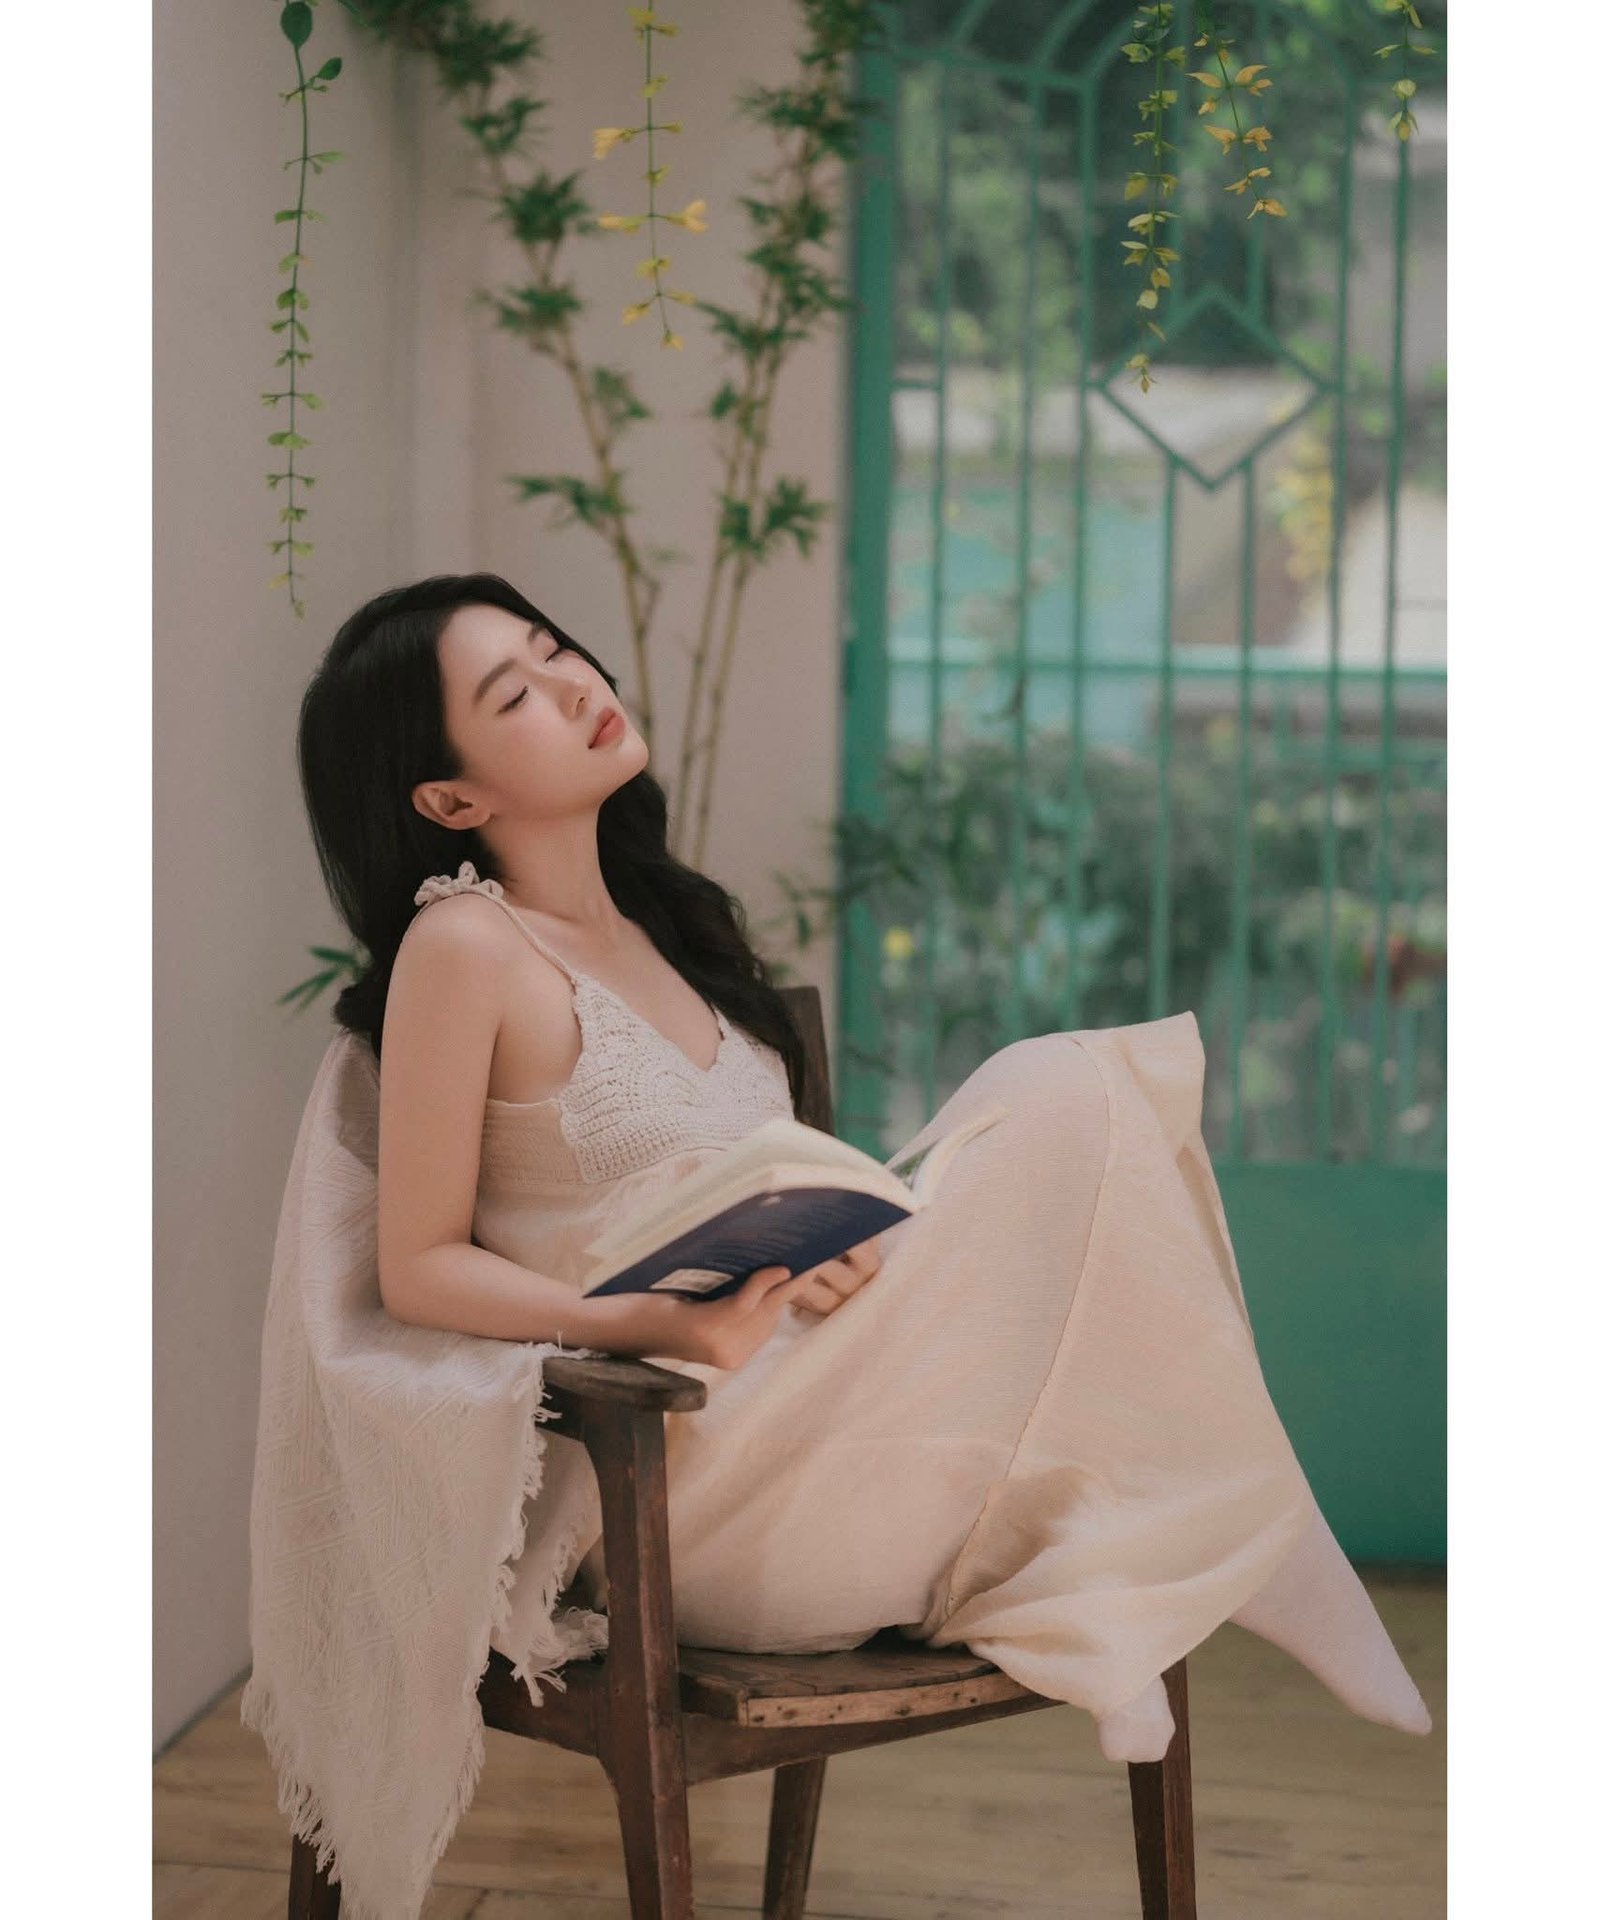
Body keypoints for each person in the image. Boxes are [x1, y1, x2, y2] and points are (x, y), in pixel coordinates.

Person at [293, 568, 1432, 1772]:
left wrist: (839, 1235)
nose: (574, 684)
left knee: (1063, 1099)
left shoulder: (662, 934)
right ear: (451, 796)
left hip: (831, 1424)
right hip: (682, 1492)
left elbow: (737, 1193)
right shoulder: (466, 944)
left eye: (553, 647)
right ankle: (1171, 1565)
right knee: (1065, 1088)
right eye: (515, 692)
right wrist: (648, 1321)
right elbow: (419, 1270)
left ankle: (1109, 1585)